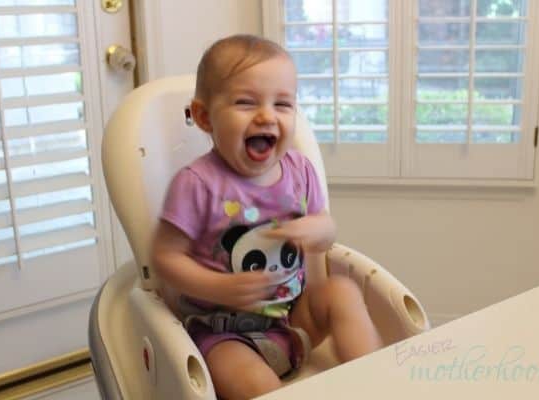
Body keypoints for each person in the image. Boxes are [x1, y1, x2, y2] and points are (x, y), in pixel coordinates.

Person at [151, 34, 383, 400]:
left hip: (294, 319)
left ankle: (373, 381)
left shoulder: (299, 171)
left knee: (342, 291)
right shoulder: (196, 184)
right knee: (247, 379)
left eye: (283, 104)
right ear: (204, 117)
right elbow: (164, 258)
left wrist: (320, 228)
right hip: (222, 333)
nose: (266, 115)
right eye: (245, 102)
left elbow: (327, 230)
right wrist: (217, 286)